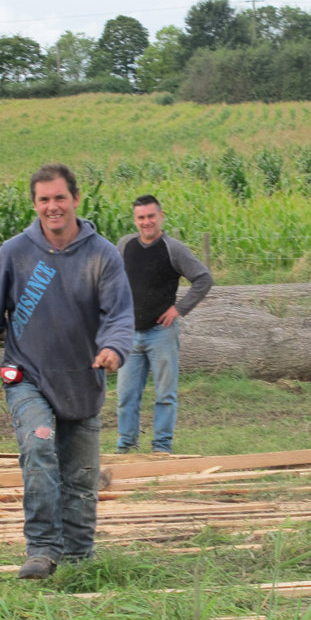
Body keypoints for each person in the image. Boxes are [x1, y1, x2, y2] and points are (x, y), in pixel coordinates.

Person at [0, 163, 134, 580]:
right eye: (44, 199)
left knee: (81, 475)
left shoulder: (102, 255)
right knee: (38, 450)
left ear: (75, 199)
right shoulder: (14, 253)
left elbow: (119, 314)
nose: (52, 207)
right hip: (26, 374)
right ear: (35, 204)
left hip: (82, 378)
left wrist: (113, 347)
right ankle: (41, 549)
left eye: (59, 198)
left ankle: (77, 557)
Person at [115, 194, 213, 455]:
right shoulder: (125, 245)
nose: (146, 222)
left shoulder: (173, 249)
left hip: (161, 333)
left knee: (165, 395)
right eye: (141, 218)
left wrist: (179, 309)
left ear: (161, 216)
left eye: (151, 216)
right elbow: (111, 278)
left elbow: (203, 279)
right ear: (135, 220)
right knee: (126, 396)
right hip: (130, 335)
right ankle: (126, 445)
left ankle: (161, 447)